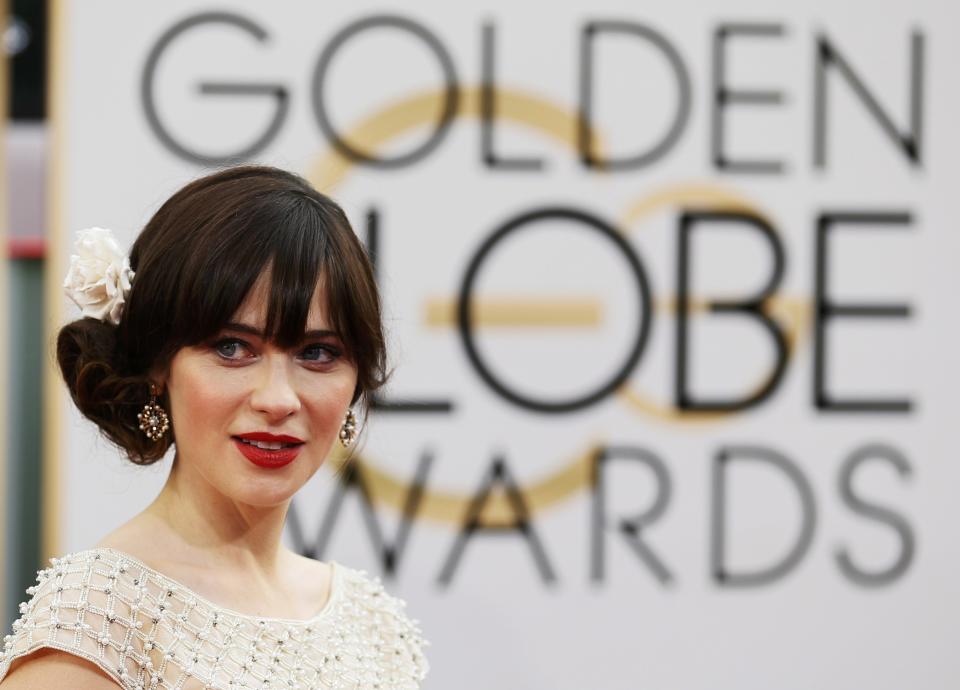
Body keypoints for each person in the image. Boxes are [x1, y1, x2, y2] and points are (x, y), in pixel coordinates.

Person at [0, 166, 430, 689]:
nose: (278, 399)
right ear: (159, 366)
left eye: (318, 353)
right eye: (232, 348)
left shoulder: (373, 625)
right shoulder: (97, 622)